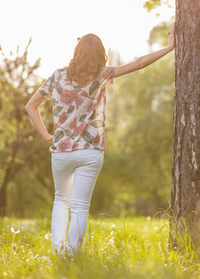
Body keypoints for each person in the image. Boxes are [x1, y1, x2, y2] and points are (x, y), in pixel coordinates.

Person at [25, 23, 175, 256]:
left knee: (61, 201)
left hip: (61, 151)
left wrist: (46, 135)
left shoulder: (57, 77)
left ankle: (57, 253)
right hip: (90, 151)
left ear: (76, 53)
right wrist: (169, 47)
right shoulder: (101, 75)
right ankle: (73, 257)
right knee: (80, 207)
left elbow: (30, 105)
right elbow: (139, 63)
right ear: (100, 55)